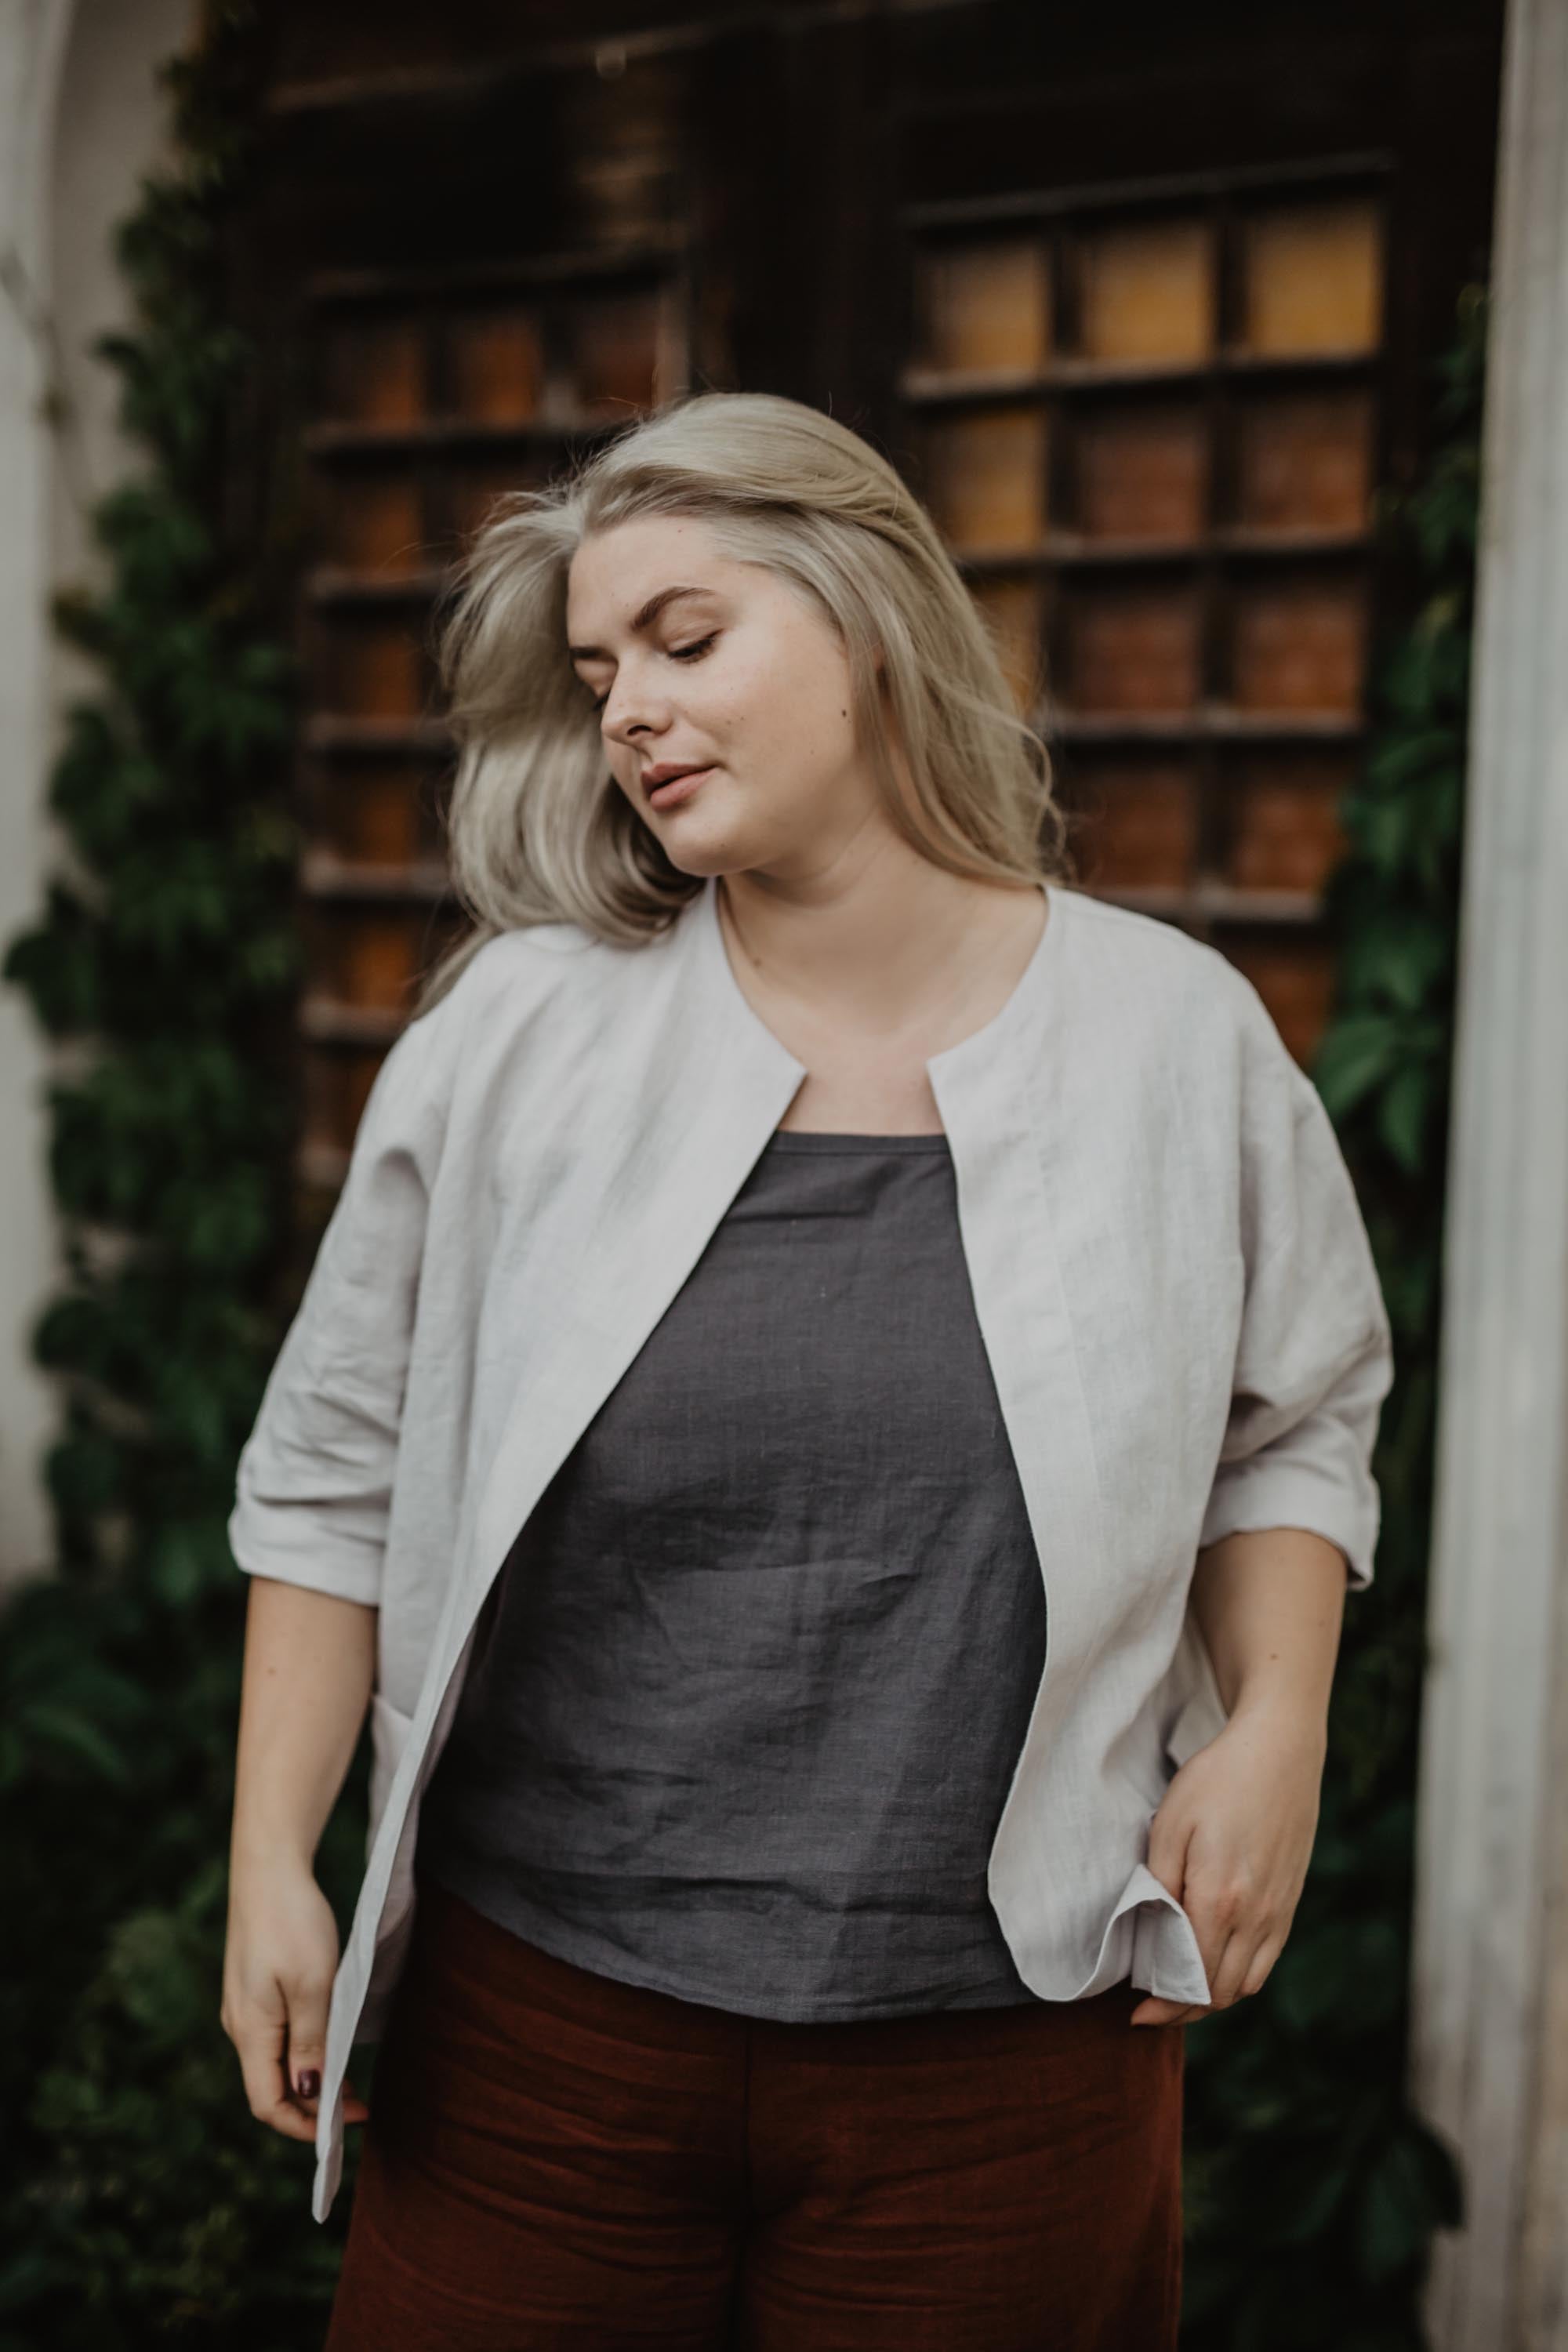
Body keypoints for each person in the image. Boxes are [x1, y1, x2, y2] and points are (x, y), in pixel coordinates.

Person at [220, 390, 1393, 2351]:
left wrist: (1279, 1724)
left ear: (865, 619)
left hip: (1005, 2073)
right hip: (542, 2050)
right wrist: (272, 1857)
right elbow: (333, 1464)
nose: (629, 711)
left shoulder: (1175, 1043)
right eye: (599, 674)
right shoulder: (518, 1039)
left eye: (684, 640)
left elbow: (1288, 1429)